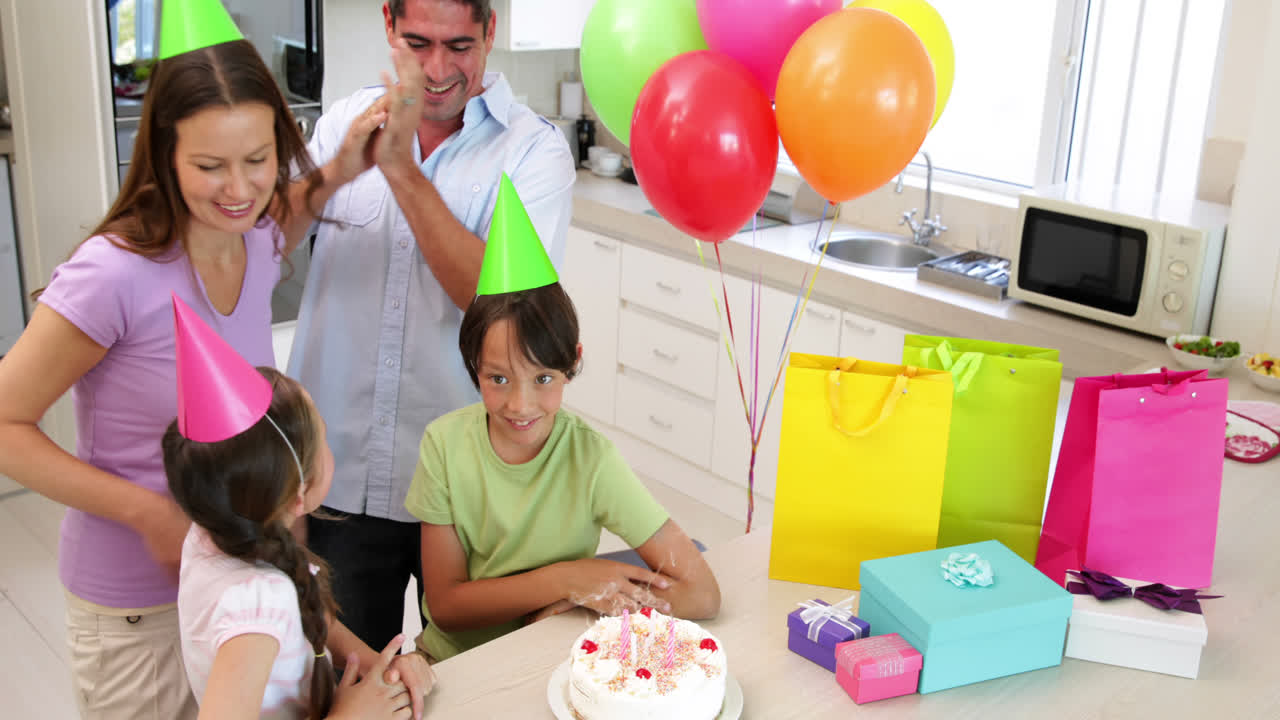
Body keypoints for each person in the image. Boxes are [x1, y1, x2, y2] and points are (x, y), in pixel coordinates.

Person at [0, 7, 384, 717]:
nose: (237, 190)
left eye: (257, 161)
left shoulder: (256, 241)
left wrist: (335, 173)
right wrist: (147, 513)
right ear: (165, 157)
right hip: (137, 607)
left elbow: (283, 219)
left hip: (244, 585)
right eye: (209, 167)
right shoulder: (112, 276)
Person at [287, 0, 576, 650]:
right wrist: (339, 172)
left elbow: (502, 307)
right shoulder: (342, 124)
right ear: (387, 25)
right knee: (350, 688)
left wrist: (400, 170)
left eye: (460, 46)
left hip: (470, 486)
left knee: (475, 683)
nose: (439, 68)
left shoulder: (534, 152)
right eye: (418, 43)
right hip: (341, 479)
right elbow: (262, 241)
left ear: (490, 33)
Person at [404, 177, 720, 661]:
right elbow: (447, 607)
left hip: (552, 662)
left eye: (543, 379)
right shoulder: (444, 445)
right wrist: (565, 579)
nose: (521, 405)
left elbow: (701, 593)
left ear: (572, 361)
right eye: (498, 379)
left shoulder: (589, 459)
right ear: (473, 367)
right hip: (454, 664)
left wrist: (581, 607)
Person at [162, 296, 433, 719]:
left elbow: (312, 619)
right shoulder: (256, 605)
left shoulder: (215, 534)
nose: (330, 446)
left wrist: (383, 667)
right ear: (298, 496)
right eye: (323, 439)